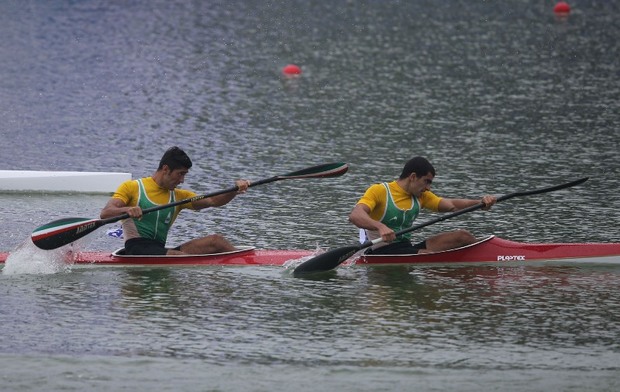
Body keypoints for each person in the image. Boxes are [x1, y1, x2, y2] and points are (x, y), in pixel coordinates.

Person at [100, 146, 250, 255]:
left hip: (159, 250)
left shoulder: (179, 196)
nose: (182, 180)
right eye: (180, 174)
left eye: (185, 175)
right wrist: (127, 209)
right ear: (165, 169)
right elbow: (106, 213)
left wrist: (234, 190)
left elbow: (213, 201)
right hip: (136, 249)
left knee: (216, 241)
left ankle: (243, 261)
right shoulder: (132, 187)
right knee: (177, 257)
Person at [349, 156, 497, 254]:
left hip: (406, 247)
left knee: (463, 236)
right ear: (413, 177)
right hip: (380, 250)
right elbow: (355, 215)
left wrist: (480, 203)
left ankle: (494, 255)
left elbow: (451, 204)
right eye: (427, 181)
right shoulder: (380, 191)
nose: (428, 188)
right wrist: (380, 227)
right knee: (427, 255)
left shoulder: (421, 196)